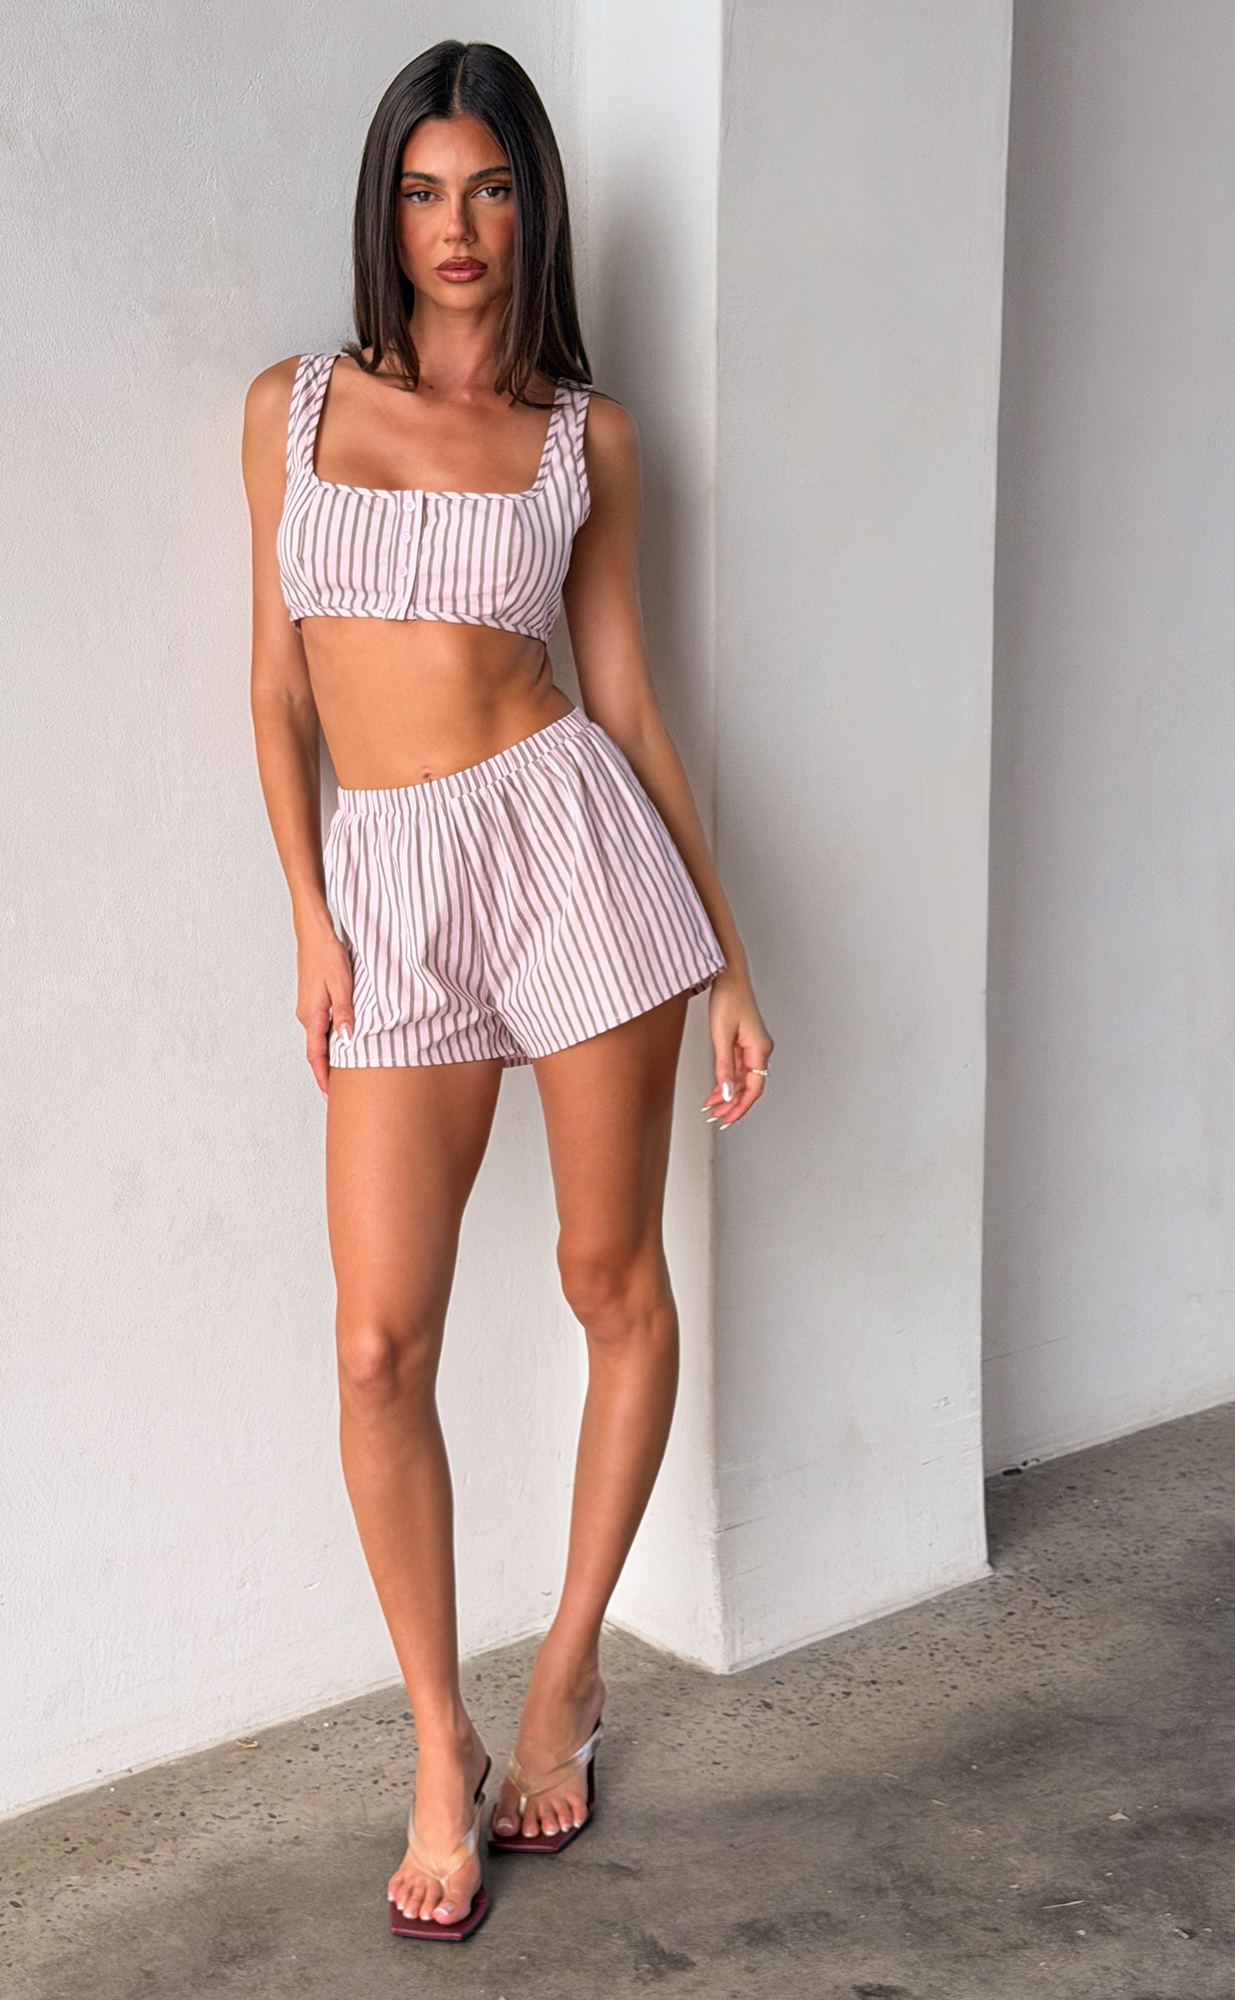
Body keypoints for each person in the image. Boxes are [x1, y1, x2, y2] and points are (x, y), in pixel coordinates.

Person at [241, 38, 772, 1942]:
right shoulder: (293, 410)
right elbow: (280, 686)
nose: (453, 229)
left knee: (606, 1281)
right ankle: (435, 1742)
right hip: (391, 891)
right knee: (378, 1342)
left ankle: (566, 1671)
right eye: (420, 188)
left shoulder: (586, 440)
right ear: (382, 206)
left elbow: (624, 702)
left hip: (572, 860)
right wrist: (310, 909)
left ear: (530, 209)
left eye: (487, 190)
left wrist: (724, 956)